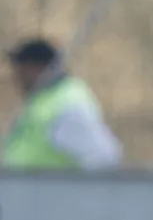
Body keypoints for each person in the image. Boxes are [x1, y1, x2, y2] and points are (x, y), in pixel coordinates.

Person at [3, 39, 122, 170]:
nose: (16, 77)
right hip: (27, 188)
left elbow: (103, 157)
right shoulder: (43, 100)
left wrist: (70, 189)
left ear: (36, 68)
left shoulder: (67, 103)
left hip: (47, 189)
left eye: (21, 69)